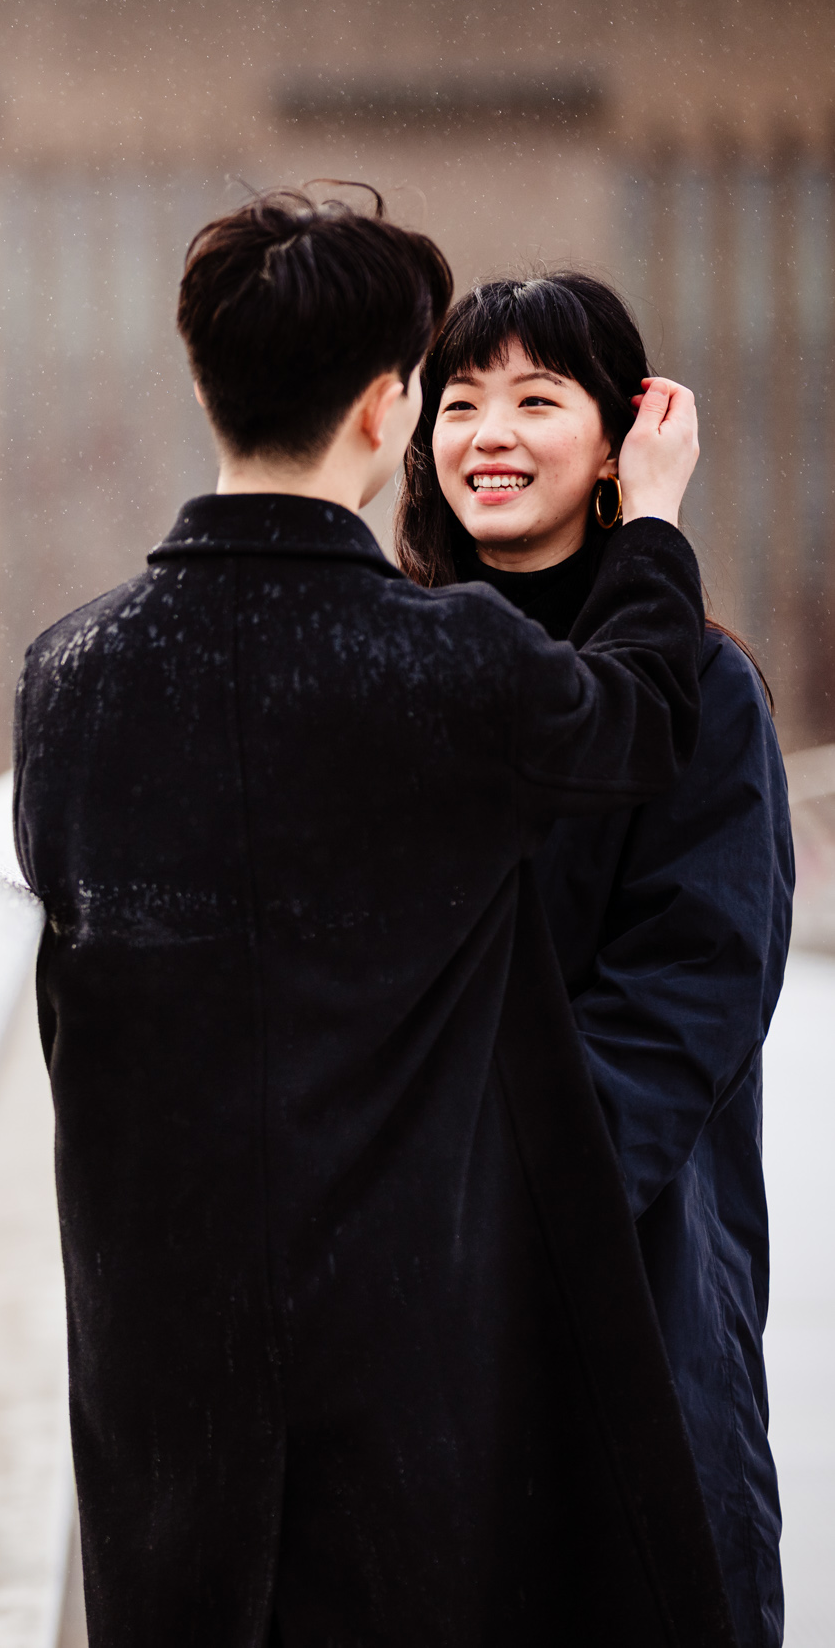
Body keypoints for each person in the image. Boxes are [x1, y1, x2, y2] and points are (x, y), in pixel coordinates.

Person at [12, 186, 733, 1647]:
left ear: (204, 379)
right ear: (386, 409)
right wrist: (649, 518)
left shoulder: (67, 676)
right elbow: (647, 718)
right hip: (409, 1360)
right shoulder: (449, 665)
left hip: (157, 1377)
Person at [397, 272, 795, 1648]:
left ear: (622, 437)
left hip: (630, 1266)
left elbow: (694, 985)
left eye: (536, 399)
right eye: (459, 402)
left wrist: (510, 1202)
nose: (488, 435)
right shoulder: (388, 669)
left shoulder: (704, 688)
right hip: (418, 1284)